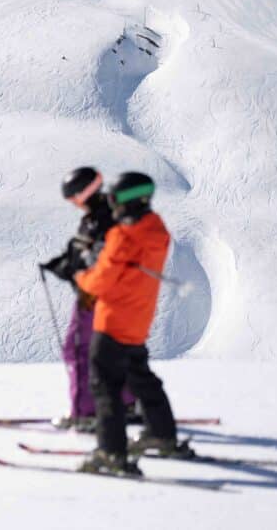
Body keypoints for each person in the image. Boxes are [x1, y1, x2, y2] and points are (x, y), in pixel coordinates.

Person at [75, 172, 190, 475]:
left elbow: (100, 281)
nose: (112, 205)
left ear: (128, 202)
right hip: (137, 322)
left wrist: (82, 278)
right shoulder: (157, 231)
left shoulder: (123, 237)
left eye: (115, 199)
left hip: (112, 323)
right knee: (140, 378)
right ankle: (162, 435)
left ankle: (112, 453)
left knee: (105, 387)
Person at [41, 167, 135, 432]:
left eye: (73, 198)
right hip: (117, 297)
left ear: (84, 193)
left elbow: (94, 262)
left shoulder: (100, 220)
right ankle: (127, 403)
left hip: (96, 297)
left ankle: (86, 412)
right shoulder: (108, 215)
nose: (74, 204)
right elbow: (85, 254)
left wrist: (70, 269)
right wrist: (63, 264)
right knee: (112, 350)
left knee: (79, 349)